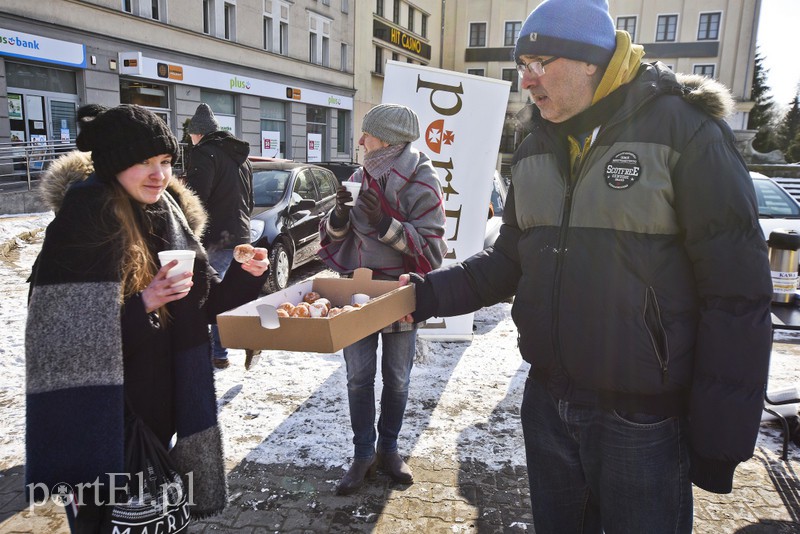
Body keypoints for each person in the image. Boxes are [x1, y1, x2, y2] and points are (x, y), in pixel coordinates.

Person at [403, 0, 773, 531]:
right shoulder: (534, 147)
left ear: (591, 62)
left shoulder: (683, 131)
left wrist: (720, 437)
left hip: (642, 418)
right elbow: (509, 260)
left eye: (540, 63)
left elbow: (736, 294)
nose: (527, 81)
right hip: (548, 402)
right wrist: (420, 296)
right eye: (522, 66)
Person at [25, 104, 269, 531]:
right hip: (98, 417)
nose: (159, 174)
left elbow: (206, 303)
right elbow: (60, 342)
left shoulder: (169, 216)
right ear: (115, 164)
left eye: (165, 161)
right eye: (144, 162)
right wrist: (145, 304)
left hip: (162, 408)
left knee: (152, 519)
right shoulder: (80, 224)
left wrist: (246, 275)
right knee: (100, 522)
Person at [318, 103, 448, 495]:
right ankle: (363, 454)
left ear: (388, 140)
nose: (360, 141)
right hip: (357, 293)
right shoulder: (359, 177)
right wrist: (338, 217)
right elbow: (335, 236)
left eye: (368, 135)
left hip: (401, 293)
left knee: (397, 378)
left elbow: (432, 251)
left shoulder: (423, 179)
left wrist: (384, 224)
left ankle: (388, 449)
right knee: (358, 377)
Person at [184, 102, 254, 369]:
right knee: (236, 294)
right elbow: (249, 200)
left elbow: (195, 200)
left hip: (216, 237)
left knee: (214, 296)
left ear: (197, 133)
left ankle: (220, 354)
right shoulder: (241, 158)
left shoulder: (204, 153)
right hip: (242, 234)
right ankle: (249, 340)